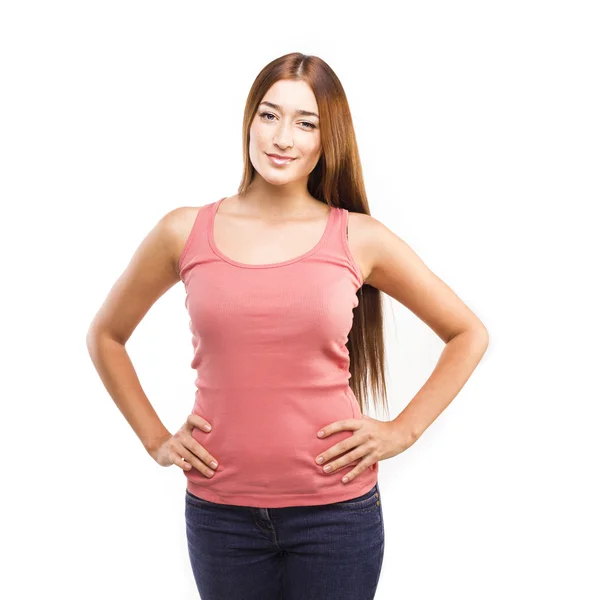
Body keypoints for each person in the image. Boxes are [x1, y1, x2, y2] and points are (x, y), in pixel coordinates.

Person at [86, 52, 489, 600]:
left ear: (328, 139)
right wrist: (155, 440)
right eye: (270, 116)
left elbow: (468, 333)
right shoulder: (183, 231)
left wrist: (403, 431)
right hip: (220, 516)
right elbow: (106, 336)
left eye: (306, 123)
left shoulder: (357, 237)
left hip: (336, 517)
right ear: (249, 120)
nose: (283, 138)